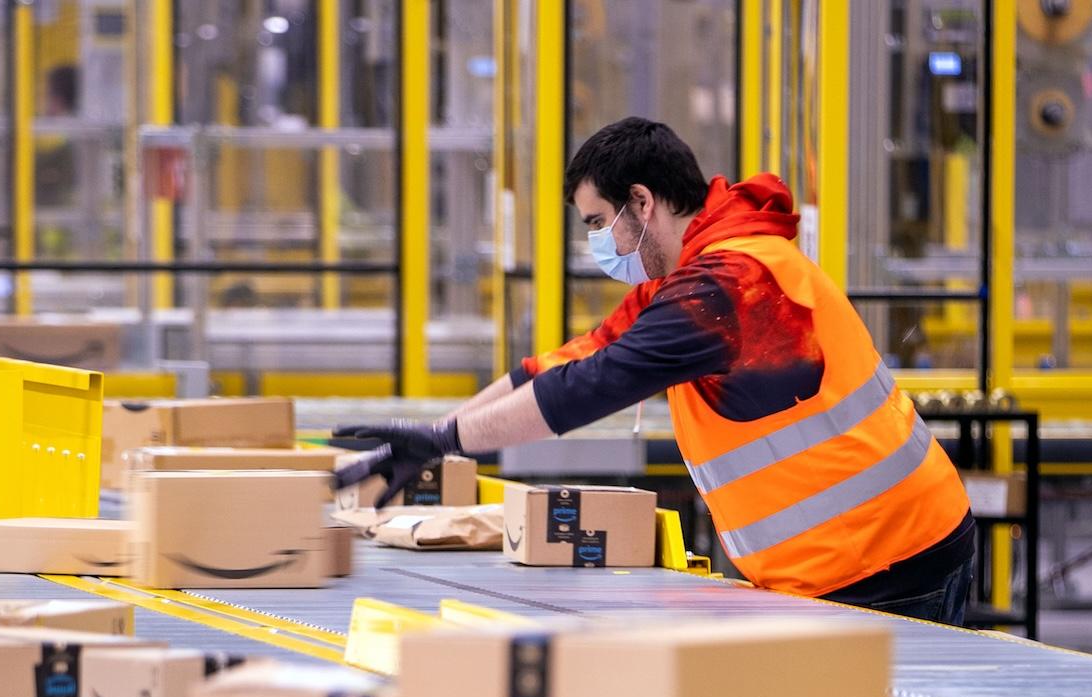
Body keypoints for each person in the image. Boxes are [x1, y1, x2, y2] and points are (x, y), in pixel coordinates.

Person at [335, 118, 976, 624]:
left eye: (597, 223)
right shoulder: (692, 273)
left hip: (892, 561)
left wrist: (445, 443)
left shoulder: (729, 285)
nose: (599, 245)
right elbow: (570, 360)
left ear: (641, 202)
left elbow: (594, 385)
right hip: (849, 558)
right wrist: (436, 433)